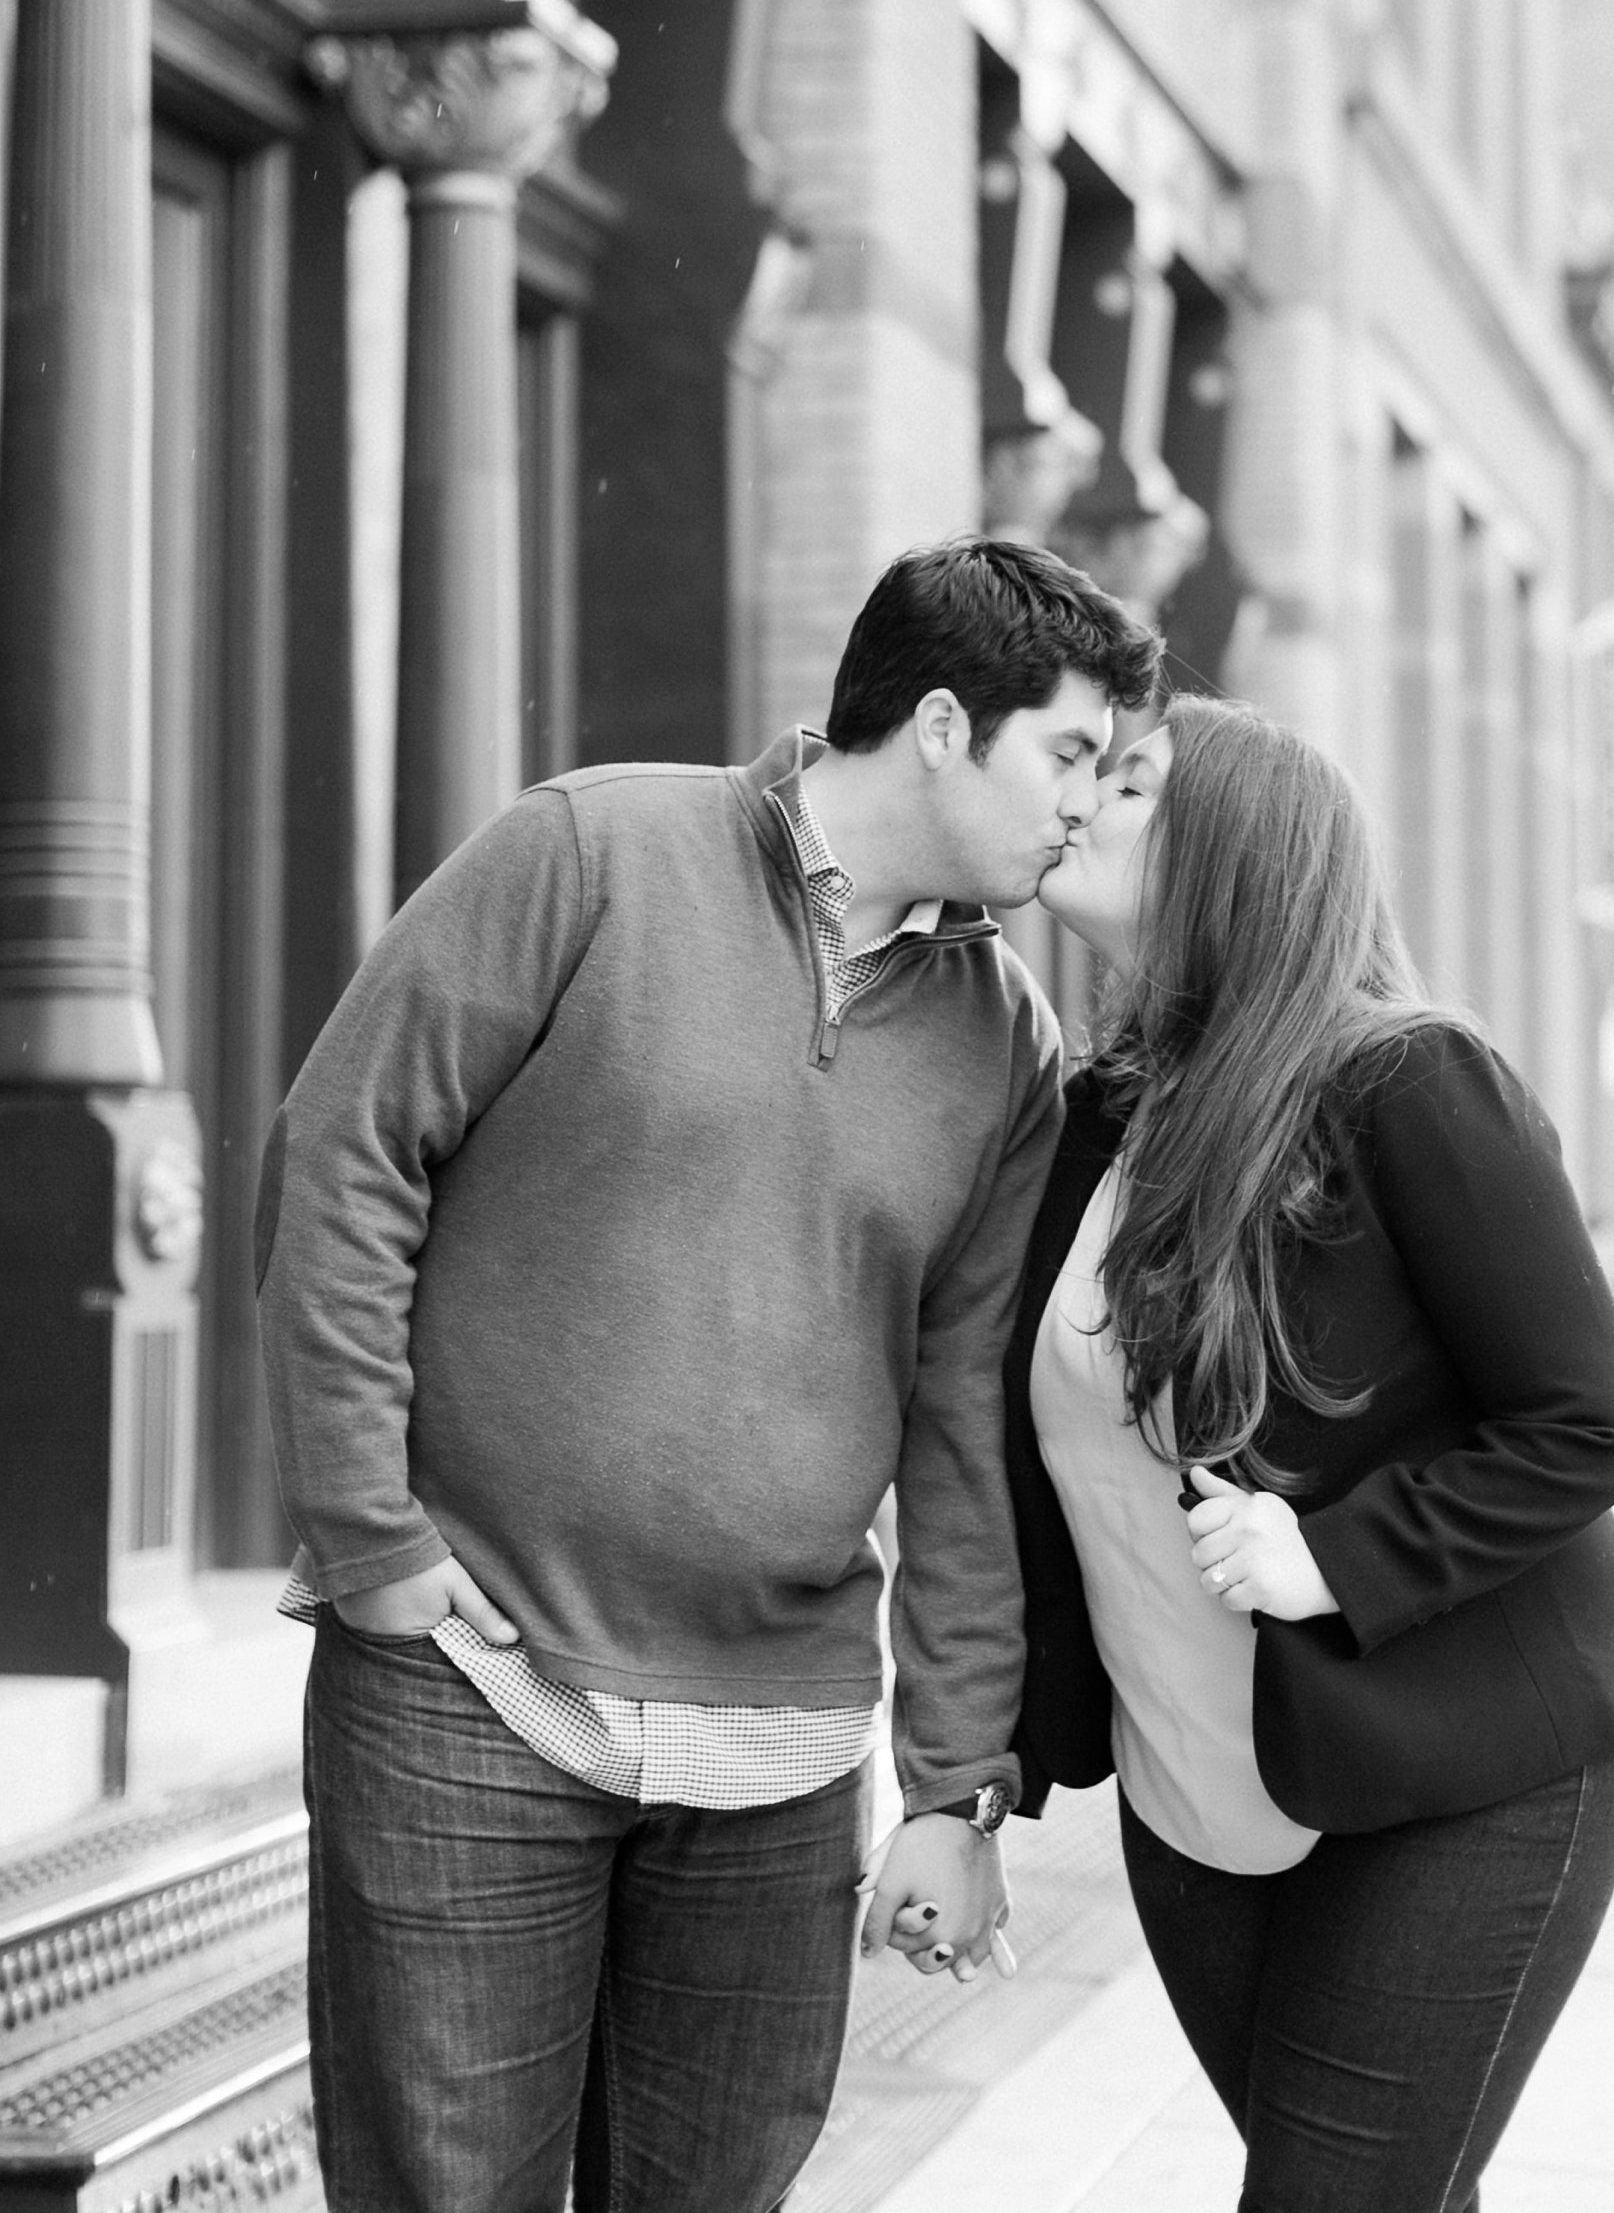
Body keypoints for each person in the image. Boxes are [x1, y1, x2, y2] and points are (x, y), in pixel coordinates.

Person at [256, 538, 1161, 2213]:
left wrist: (956, 1779)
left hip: (781, 1747)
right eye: (1071, 756)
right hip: (479, 1691)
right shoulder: (589, 849)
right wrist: (369, 1541)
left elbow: (964, 1418)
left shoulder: (1007, 1036)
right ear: (948, 723)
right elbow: (343, 1154)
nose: (1087, 810)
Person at [1006, 697, 1614, 2213]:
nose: (1083, 800)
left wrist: (1336, 1555)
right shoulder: (1102, 1121)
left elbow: (1588, 1421)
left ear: (1235, 847)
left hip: (1469, 1767)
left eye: (1129, 780)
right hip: (1197, 1790)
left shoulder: (1409, 1082)